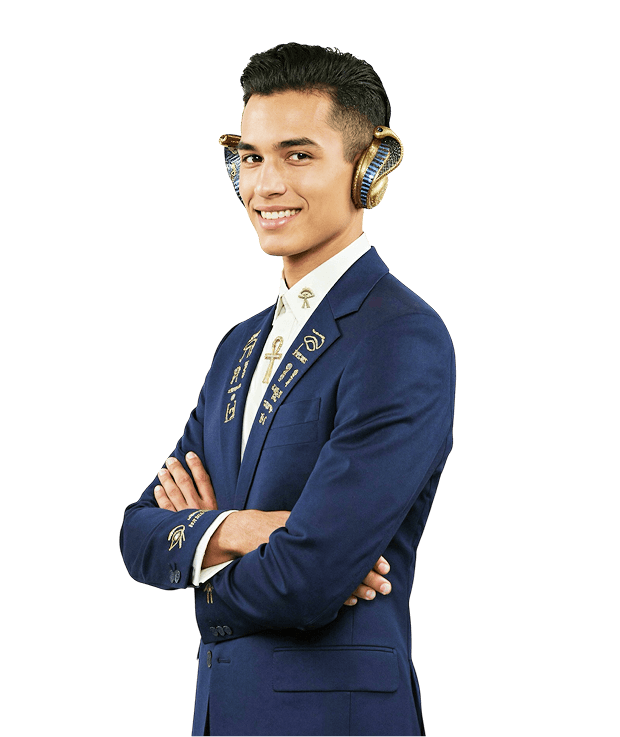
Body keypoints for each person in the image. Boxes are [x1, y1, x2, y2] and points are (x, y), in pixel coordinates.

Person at [121, 43, 455, 737]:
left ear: (368, 170)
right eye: (251, 158)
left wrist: (202, 559)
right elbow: (139, 531)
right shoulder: (238, 345)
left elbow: (309, 579)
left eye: (298, 155)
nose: (265, 185)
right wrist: (254, 528)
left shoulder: (401, 337)